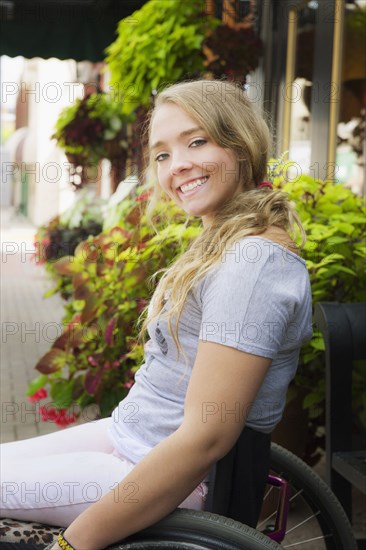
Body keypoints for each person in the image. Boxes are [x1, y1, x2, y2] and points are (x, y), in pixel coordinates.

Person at [0, 79, 313, 549]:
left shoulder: (253, 265)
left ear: (241, 143)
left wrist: (71, 545)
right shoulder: (227, 242)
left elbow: (205, 440)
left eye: (197, 141)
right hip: (131, 438)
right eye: (162, 154)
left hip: (159, 472)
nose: (177, 165)